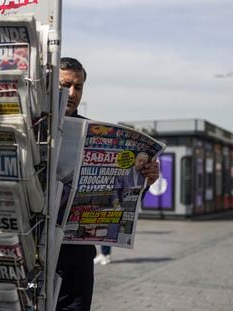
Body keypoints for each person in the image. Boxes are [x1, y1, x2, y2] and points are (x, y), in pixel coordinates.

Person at [56, 57, 160, 311]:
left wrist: (145, 180)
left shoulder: (90, 130)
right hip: (36, 252)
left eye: (78, 87)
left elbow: (118, 200)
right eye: (64, 85)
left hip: (76, 258)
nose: (71, 94)